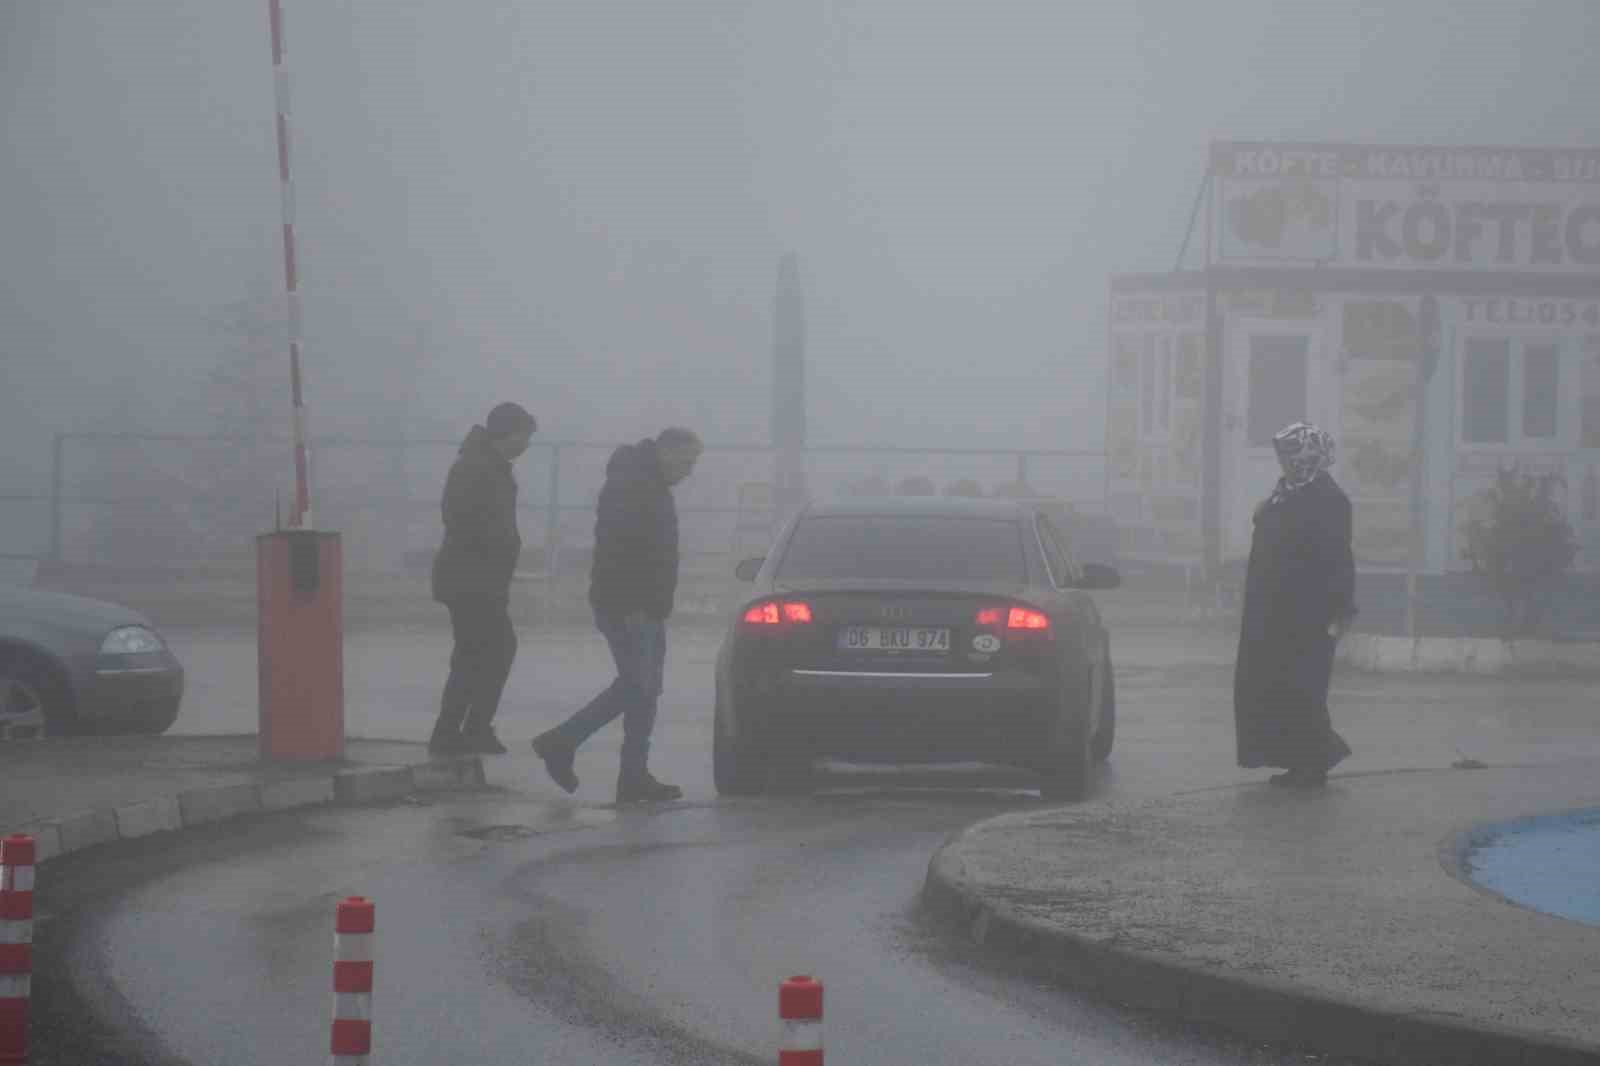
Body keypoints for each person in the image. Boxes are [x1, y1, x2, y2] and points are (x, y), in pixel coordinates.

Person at [532, 427, 703, 803]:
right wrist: (633, 606)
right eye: (687, 461)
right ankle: (563, 742)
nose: (689, 471)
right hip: (630, 606)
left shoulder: (647, 484)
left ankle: (632, 774)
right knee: (637, 686)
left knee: (645, 690)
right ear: (666, 452)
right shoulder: (634, 486)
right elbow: (621, 552)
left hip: (645, 605)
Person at [1233, 421, 1356, 788]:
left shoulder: (1329, 499)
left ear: (1312, 455)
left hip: (1307, 612)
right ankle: (1295, 760)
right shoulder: (1285, 493)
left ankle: (1314, 761)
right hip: (1272, 610)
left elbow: (1338, 558)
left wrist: (1340, 610)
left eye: (1294, 455)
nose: (1287, 463)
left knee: (1303, 687)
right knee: (1273, 686)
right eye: (1283, 456)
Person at [428, 402, 537, 756]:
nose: (527, 444)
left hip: (482, 580)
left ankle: (464, 729)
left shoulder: (489, 465)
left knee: (482, 653)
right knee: (485, 652)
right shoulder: (475, 467)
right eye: (525, 436)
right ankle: (457, 730)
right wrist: (494, 548)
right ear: (509, 433)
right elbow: (459, 518)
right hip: (471, 580)